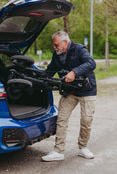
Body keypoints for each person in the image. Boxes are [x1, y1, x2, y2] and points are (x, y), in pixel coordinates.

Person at [41, 31, 97, 162]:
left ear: (65, 42)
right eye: (54, 46)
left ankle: (83, 147)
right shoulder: (57, 55)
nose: (54, 48)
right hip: (69, 91)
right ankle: (58, 151)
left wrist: (74, 72)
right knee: (61, 119)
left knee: (86, 121)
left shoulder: (79, 49)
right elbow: (49, 71)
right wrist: (38, 78)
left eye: (56, 45)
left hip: (86, 90)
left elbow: (91, 63)